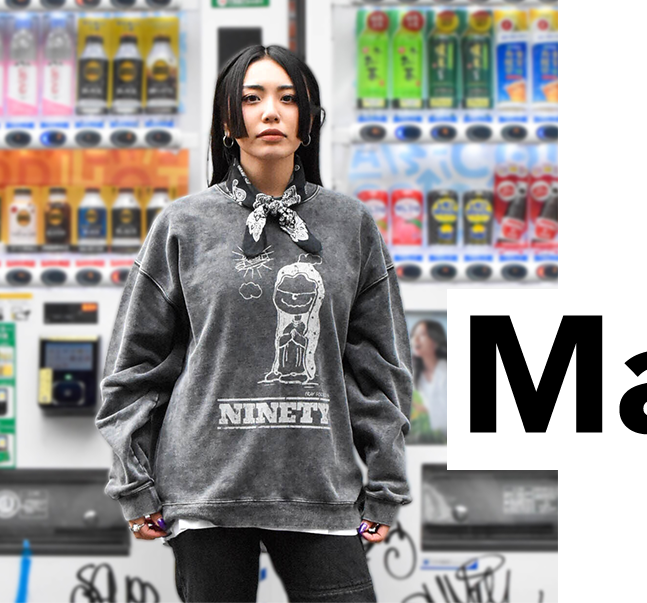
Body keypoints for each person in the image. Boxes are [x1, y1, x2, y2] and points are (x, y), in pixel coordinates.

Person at [94, 45, 414, 603]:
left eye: (288, 99)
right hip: (205, 490)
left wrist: (386, 481)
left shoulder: (351, 225)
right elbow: (135, 365)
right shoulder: (183, 223)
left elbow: (380, 367)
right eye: (251, 98)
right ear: (227, 121)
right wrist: (133, 480)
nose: (270, 112)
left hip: (320, 486)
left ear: (308, 120)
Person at [410, 320, 447, 436]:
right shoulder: (416, 375)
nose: (415, 339)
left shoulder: (444, 369)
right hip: (436, 437)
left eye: (422, 335)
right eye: (414, 335)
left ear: (435, 341)